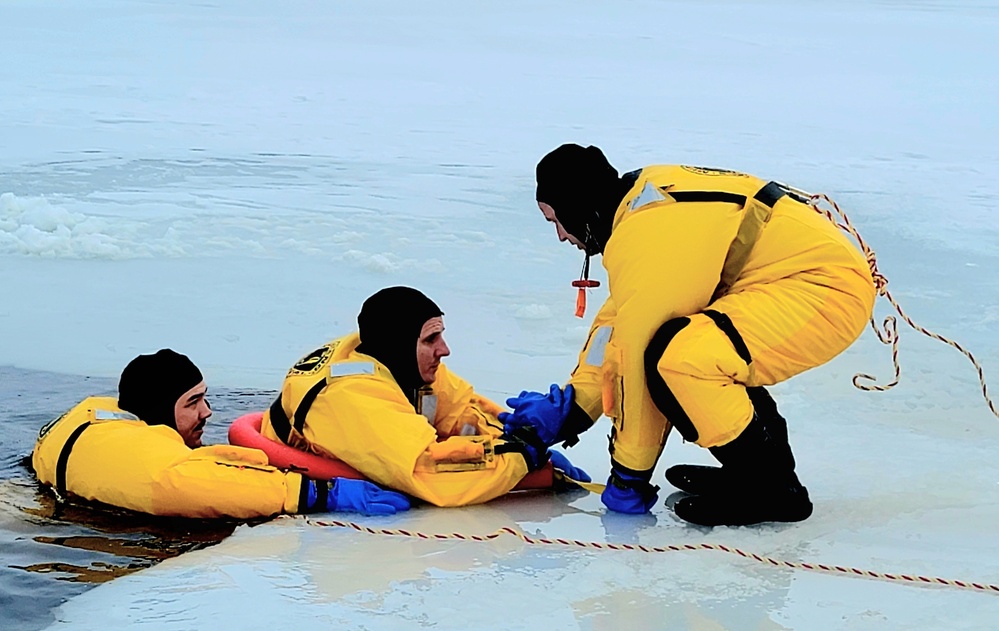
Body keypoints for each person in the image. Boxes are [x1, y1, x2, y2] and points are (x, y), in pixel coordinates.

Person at [501, 144, 876, 527]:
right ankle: (758, 473)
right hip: (796, 278)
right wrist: (573, 406)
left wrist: (630, 475)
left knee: (680, 360)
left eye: (555, 221)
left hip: (822, 290)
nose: (562, 237)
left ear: (576, 207)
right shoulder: (640, 206)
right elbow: (617, 327)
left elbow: (636, 357)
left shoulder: (645, 228)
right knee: (696, 349)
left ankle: (773, 490)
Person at [260, 286, 589, 507]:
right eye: (432, 339)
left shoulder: (403, 363)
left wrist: (513, 431)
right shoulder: (352, 397)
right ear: (400, 344)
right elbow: (432, 476)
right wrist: (524, 453)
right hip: (308, 468)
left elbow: (461, 417)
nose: (444, 350)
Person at [32, 349, 410, 519]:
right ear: (160, 410)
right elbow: (209, 485)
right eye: (193, 402)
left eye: (205, 399)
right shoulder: (162, 471)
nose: (207, 413)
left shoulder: (97, 423)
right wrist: (321, 492)